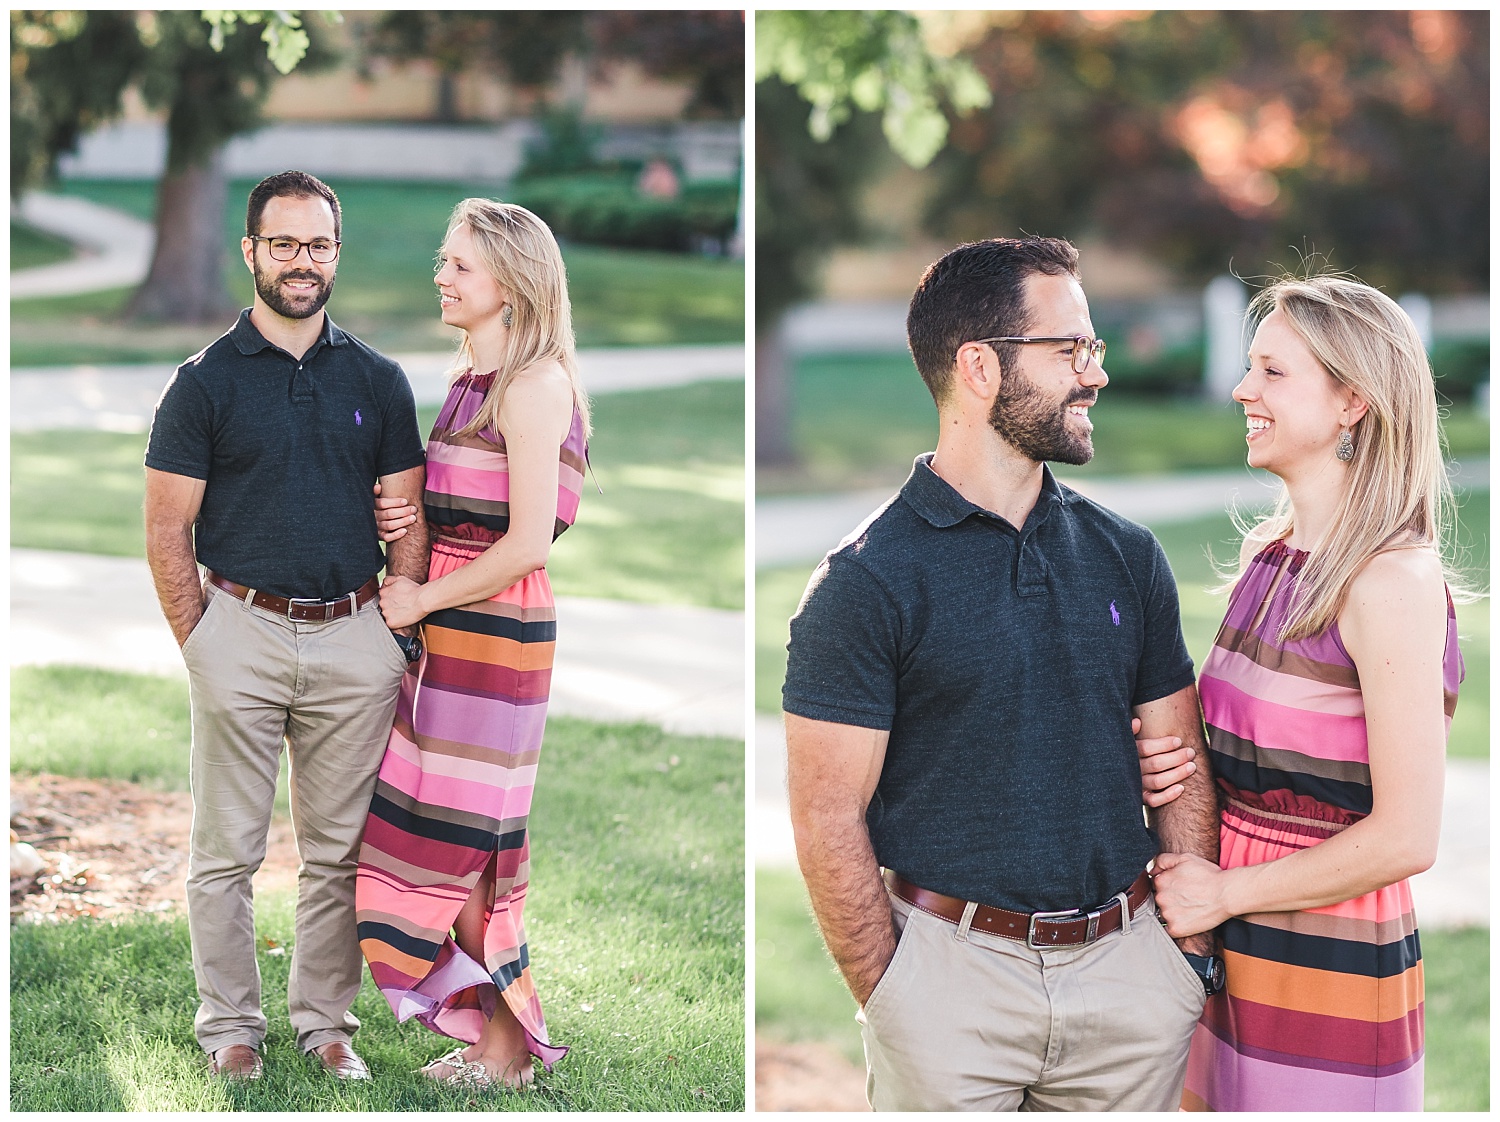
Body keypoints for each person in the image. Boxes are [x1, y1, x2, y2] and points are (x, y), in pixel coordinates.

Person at [782, 236, 1224, 1112]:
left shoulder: (1128, 557)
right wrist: (891, 991)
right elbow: (827, 816)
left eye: (1091, 348)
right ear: (980, 367)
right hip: (949, 989)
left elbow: (1181, 764)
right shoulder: (865, 581)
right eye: (1071, 350)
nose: (1094, 373)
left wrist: (1184, 960)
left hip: (1130, 983)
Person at [1136, 274, 1464, 1111]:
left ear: (1352, 400)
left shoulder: (1390, 581)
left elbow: (1406, 836)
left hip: (1325, 965)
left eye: (1273, 373)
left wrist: (1225, 892)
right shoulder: (1268, 559)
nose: (1243, 389)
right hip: (1226, 953)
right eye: (1251, 368)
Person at [144, 170, 428, 1081]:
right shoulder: (202, 385)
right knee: (225, 852)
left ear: (336, 253)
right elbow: (165, 529)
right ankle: (231, 1029)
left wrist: (393, 626)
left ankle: (325, 1025)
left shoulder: (379, 381)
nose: (301, 262)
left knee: (337, 855)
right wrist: (201, 639)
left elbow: (407, 516)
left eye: (317, 245)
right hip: (241, 633)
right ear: (251, 252)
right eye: (284, 244)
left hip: (355, 639)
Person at [354, 198, 590, 1090]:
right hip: (447, 623)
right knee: (423, 837)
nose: (441, 276)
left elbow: (525, 543)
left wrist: (417, 601)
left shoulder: (535, 386)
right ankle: (497, 1030)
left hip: (495, 636)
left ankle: (505, 1047)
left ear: (512, 282)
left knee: (465, 846)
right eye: (444, 261)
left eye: (458, 264)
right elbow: (459, 513)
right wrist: (402, 520)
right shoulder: (467, 383)